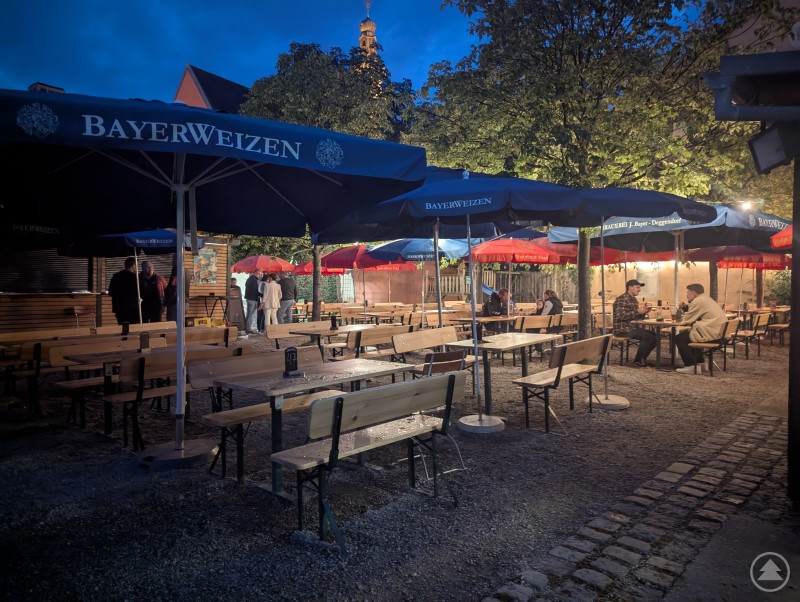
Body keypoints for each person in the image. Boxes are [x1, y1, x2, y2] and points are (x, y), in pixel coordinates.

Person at [674, 283, 727, 374]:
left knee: (680, 338)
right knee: (691, 336)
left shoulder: (697, 301)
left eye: (688, 293)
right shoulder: (706, 299)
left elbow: (685, 320)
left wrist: (679, 310)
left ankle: (690, 365)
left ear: (693, 293)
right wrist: (687, 308)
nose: (686, 295)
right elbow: (698, 312)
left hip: (712, 334)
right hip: (719, 334)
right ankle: (700, 364)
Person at [612, 279, 656, 368]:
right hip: (622, 329)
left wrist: (643, 313)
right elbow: (621, 316)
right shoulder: (622, 299)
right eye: (637, 287)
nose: (639, 289)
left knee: (655, 336)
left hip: (631, 328)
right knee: (647, 336)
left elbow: (635, 316)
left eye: (639, 288)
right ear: (630, 287)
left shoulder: (634, 300)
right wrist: (637, 311)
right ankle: (638, 360)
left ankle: (642, 359)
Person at [108, 257, 139, 325]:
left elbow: (111, 292)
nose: (137, 267)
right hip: (132, 308)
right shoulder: (135, 278)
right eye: (137, 265)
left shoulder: (116, 276)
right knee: (132, 328)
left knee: (122, 328)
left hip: (119, 308)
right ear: (133, 266)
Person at [244, 268, 262, 334]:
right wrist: (262, 295)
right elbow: (255, 291)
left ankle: (247, 328)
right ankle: (248, 329)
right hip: (252, 299)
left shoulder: (251, 279)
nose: (259, 276)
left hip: (251, 298)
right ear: (254, 273)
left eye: (260, 274)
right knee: (250, 315)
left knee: (249, 314)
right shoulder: (253, 280)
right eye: (258, 274)